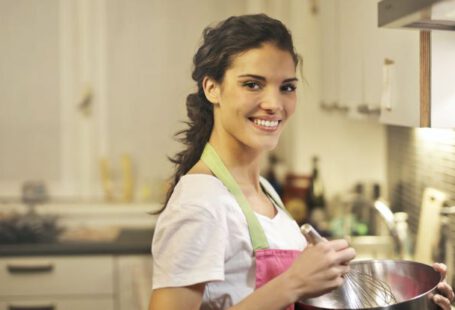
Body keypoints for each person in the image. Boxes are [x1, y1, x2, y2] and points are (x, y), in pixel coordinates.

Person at [149, 14, 454, 310]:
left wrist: (415, 305)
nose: (274, 104)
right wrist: (293, 282)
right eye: (252, 84)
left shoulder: (264, 190)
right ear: (212, 88)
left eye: (287, 87)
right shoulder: (201, 203)